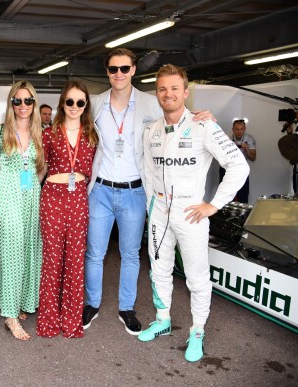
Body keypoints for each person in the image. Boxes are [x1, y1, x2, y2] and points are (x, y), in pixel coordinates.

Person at [83, 47, 213, 335]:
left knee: (131, 254)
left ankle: (126, 308)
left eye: (125, 68)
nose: (119, 74)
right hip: (100, 190)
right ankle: (91, 304)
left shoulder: (150, 103)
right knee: (95, 253)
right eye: (113, 69)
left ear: (133, 71)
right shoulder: (95, 104)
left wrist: (200, 116)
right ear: (107, 72)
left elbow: (175, 113)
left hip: (135, 191)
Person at [140, 64, 249, 362]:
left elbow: (239, 166)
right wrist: (152, 207)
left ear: (185, 92)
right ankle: (162, 319)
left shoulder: (204, 125)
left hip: (192, 214)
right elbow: (148, 172)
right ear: (157, 93)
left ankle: (197, 330)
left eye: (175, 88)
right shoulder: (151, 130)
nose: (168, 94)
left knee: (196, 278)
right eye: (162, 89)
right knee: (158, 270)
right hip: (159, 213)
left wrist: (213, 205)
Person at [36, 80, 97, 338]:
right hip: (52, 197)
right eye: (70, 101)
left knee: (74, 261)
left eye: (80, 102)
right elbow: (40, 168)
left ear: (86, 105)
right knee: (52, 260)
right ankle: (49, 321)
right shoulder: (49, 133)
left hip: (79, 199)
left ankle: (71, 322)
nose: (74, 106)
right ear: (63, 103)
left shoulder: (92, 134)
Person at [0, 80, 45, 341]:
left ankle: (20, 301)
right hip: (8, 198)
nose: (23, 105)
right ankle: (10, 315)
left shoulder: (41, 132)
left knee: (29, 250)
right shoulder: (0, 132)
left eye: (28, 100)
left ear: (34, 103)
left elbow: (42, 167)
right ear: (11, 103)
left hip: (32, 197)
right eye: (17, 100)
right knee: (11, 253)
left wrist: (33, 183)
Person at [219, 119, 255, 203]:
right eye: (237, 129)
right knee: (225, 194)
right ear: (233, 129)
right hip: (227, 168)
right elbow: (219, 155)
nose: (239, 132)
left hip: (242, 168)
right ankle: (224, 213)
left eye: (241, 129)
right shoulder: (226, 138)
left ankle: (243, 214)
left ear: (245, 129)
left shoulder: (249, 139)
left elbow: (253, 158)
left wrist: (247, 150)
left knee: (243, 193)